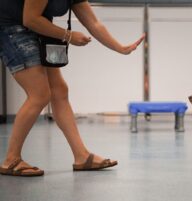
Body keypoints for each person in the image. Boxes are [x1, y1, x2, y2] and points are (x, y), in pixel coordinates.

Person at [0, 0, 145, 176]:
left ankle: (81, 156)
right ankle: (11, 159)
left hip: (39, 29)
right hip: (12, 28)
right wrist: (68, 36)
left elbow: (94, 23)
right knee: (39, 94)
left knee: (60, 91)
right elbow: (30, 19)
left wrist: (120, 48)